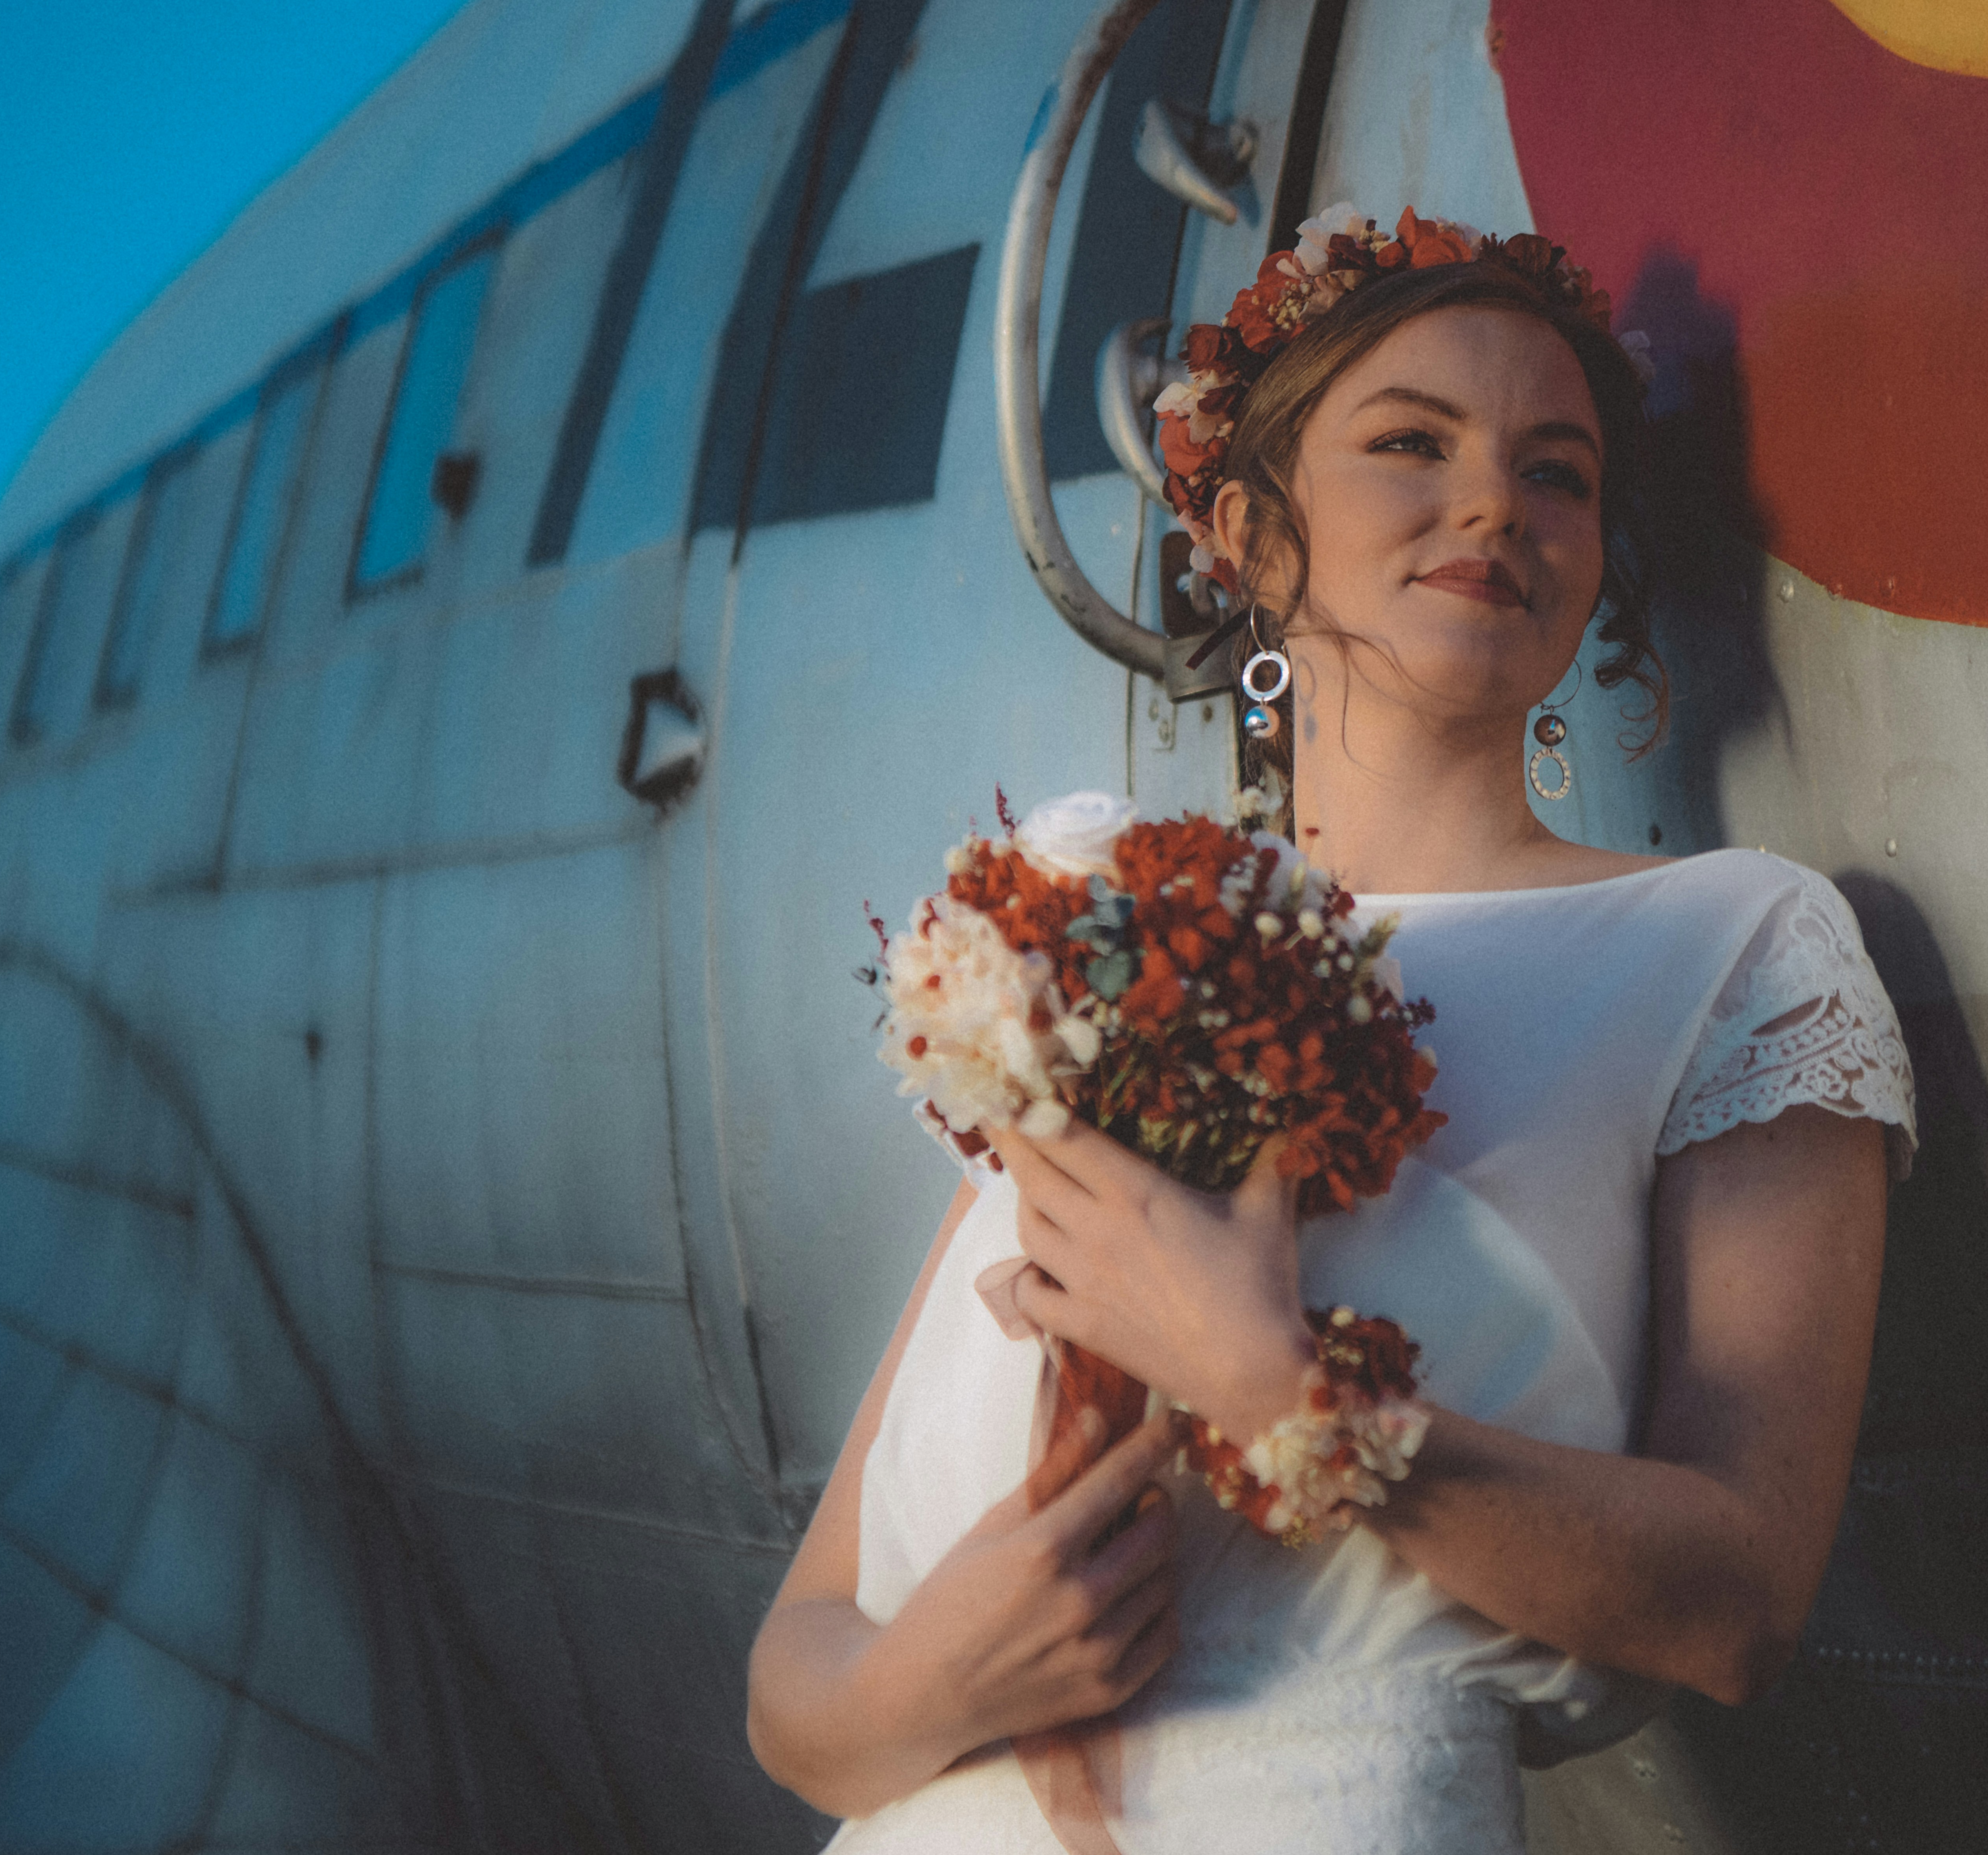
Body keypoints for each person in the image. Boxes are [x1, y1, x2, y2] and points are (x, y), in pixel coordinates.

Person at [747, 207, 1915, 1853]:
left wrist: (1287, 1395)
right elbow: (794, 1684)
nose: (1497, 501)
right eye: (1410, 442)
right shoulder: (1096, 943)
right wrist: (932, 1683)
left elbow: (1739, 1605)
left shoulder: (1732, 952)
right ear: (1252, 531)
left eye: (1560, 470)